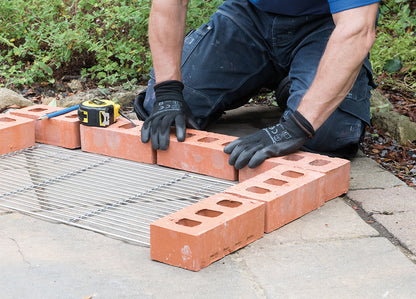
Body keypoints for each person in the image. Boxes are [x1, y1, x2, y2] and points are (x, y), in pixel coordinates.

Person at [134, 0, 380, 170]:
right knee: (161, 105)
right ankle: (292, 81)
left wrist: (297, 126)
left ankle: (297, 87)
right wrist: (168, 91)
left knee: (324, 134)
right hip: (251, 15)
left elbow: (356, 29)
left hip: (326, 26)